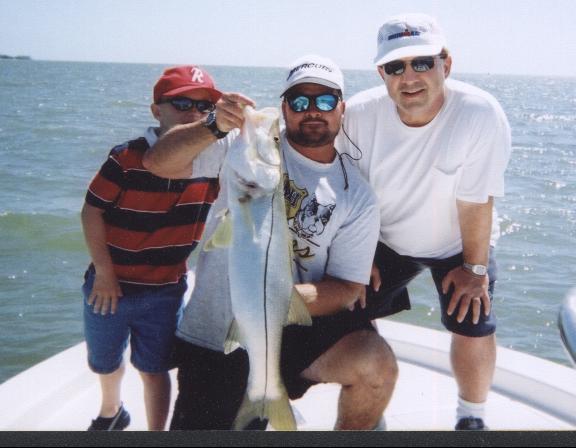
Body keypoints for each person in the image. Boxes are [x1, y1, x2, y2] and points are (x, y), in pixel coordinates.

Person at [143, 55, 398, 430]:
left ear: (341, 108)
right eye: (299, 101)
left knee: (375, 362)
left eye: (325, 101)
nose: (312, 110)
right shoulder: (237, 146)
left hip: (292, 329)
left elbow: (347, 287)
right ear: (284, 108)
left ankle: (279, 401)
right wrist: (211, 124)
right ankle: (262, 403)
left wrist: (277, 301)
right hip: (218, 330)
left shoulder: (355, 193)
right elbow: (157, 162)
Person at [339, 14, 512, 430]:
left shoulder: (480, 113)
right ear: (382, 73)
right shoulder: (358, 114)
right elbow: (346, 190)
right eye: (395, 67)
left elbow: (476, 202)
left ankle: (471, 416)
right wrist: (356, 256)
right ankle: (369, 403)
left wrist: (474, 270)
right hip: (386, 237)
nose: (409, 76)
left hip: (458, 238)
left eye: (422, 63)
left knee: (473, 320)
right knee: (347, 308)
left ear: (445, 65)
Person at [81, 65, 228, 430]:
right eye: (181, 103)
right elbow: (91, 211)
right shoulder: (126, 158)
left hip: (165, 290)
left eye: (203, 106)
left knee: (155, 368)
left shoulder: (215, 165)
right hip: (110, 285)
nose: (193, 113)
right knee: (105, 361)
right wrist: (104, 273)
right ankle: (111, 411)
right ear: (155, 110)